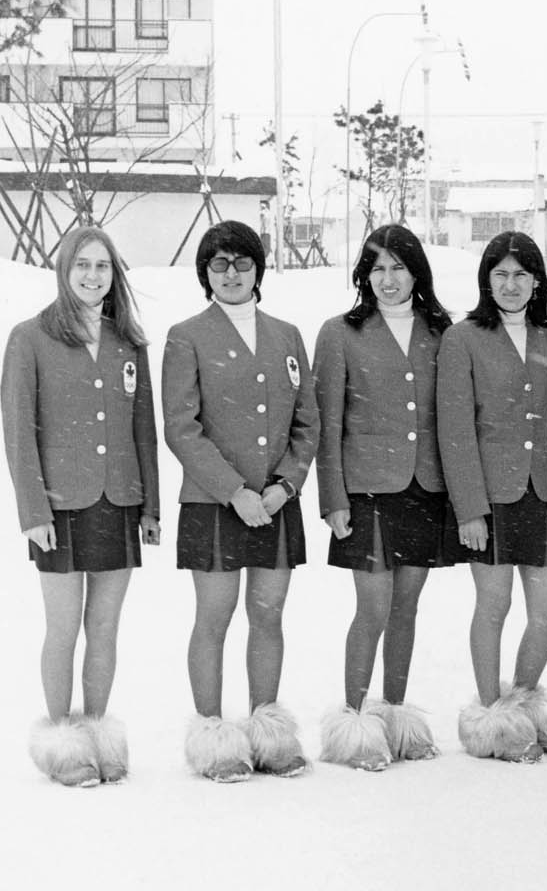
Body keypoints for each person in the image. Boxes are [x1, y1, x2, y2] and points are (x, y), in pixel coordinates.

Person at [162, 220, 319, 783]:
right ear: (205, 272)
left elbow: (308, 423)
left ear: (258, 269)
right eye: (219, 264)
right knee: (215, 616)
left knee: (268, 614)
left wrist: (284, 486)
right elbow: (181, 427)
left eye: (242, 263)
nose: (232, 274)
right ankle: (213, 739)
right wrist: (234, 491)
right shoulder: (187, 335)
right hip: (213, 501)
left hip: (277, 501)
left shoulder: (287, 334)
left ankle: (268, 732)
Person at [2, 227, 159, 787]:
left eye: (103, 267)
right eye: (82, 266)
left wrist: (150, 507)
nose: (93, 276)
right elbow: (18, 432)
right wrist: (33, 511)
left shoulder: (128, 341)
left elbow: (144, 428)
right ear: (64, 270)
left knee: (105, 628)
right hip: (59, 507)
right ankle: (62, 743)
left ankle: (97, 734)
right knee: (63, 628)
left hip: (118, 500)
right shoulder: (30, 337)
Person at [312, 225, 457, 771]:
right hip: (366, 487)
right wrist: (333, 498)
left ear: (417, 272)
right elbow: (326, 424)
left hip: (425, 486)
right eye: (377, 269)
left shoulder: (443, 331)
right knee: (372, 607)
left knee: (406, 608)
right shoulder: (340, 332)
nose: (388, 280)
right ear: (363, 276)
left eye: (399, 268)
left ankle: (394, 718)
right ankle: (353, 726)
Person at [438, 231, 547, 763]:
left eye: (521, 275)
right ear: (486, 280)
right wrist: (469, 508)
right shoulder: (464, 337)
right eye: (501, 275)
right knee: (494, 606)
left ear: (536, 280)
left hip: (539, 490)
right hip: (489, 494)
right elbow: (455, 428)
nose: (511, 285)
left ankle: (519, 708)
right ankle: (494, 722)